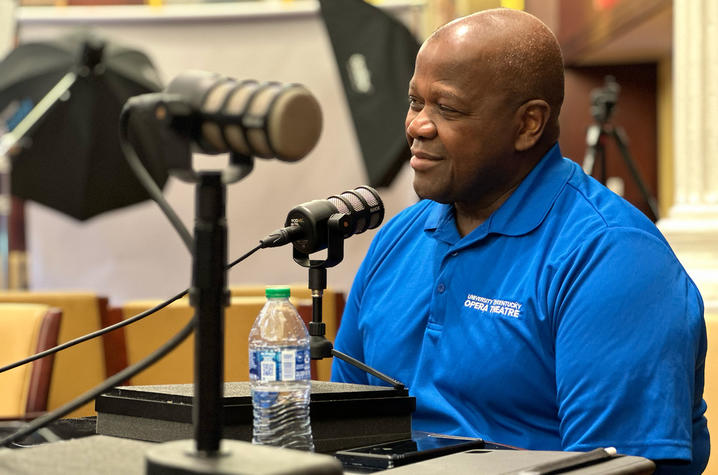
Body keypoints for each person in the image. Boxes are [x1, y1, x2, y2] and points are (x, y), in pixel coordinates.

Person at [331, 8, 709, 474]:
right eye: (415, 103)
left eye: (446, 108)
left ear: (529, 123)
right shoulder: (396, 238)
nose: (417, 126)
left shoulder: (614, 256)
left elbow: (614, 470)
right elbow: (343, 433)